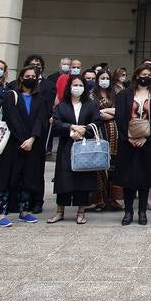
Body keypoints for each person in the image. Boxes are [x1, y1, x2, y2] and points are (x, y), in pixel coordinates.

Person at [0, 65, 50, 226]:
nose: (30, 78)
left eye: (33, 76)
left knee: (27, 178)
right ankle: (1, 214)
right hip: (12, 145)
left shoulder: (41, 99)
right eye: (27, 75)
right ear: (21, 78)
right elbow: (12, 119)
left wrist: (32, 139)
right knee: (6, 178)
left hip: (32, 145)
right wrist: (23, 138)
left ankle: (24, 211)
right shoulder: (12, 96)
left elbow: (41, 120)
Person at [50, 71, 99, 225]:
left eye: (80, 85)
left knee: (83, 179)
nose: (77, 88)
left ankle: (81, 212)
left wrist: (84, 130)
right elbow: (56, 123)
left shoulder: (90, 105)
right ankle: (60, 211)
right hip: (66, 145)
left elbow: (97, 122)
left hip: (84, 146)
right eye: (74, 85)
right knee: (63, 178)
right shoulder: (61, 106)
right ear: (69, 87)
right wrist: (71, 127)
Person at [116, 65, 151, 225]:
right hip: (127, 142)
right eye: (143, 74)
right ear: (136, 75)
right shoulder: (124, 94)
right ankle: (128, 211)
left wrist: (146, 138)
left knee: (144, 179)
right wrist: (127, 137)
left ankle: (142, 211)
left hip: (147, 143)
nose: (145, 77)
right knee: (128, 179)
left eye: (149, 75)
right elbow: (119, 118)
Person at [89, 71, 122, 212]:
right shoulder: (91, 95)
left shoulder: (116, 93)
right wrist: (111, 112)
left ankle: (112, 199)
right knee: (99, 167)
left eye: (107, 78)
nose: (105, 80)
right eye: (102, 78)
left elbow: (120, 111)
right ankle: (99, 200)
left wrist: (105, 111)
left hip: (115, 135)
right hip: (99, 133)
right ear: (97, 80)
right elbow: (95, 114)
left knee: (113, 168)